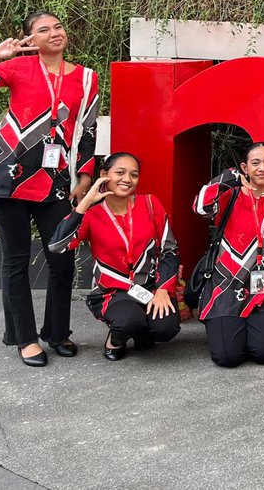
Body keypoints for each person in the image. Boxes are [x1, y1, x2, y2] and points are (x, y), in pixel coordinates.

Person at [0, 11, 98, 366]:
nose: (54, 33)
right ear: (30, 38)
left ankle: (57, 333)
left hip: (57, 180)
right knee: (16, 260)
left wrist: (84, 178)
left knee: (62, 256)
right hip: (7, 177)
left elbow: (86, 132)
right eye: (43, 30)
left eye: (58, 26)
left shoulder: (87, 78)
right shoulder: (19, 68)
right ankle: (25, 339)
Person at [48, 152, 180, 360]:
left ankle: (141, 333)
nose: (127, 179)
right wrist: (86, 202)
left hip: (148, 288)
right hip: (112, 292)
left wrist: (163, 290)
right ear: (104, 175)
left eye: (134, 175)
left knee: (167, 327)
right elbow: (57, 246)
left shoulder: (151, 204)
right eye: (120, 172)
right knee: (128, 320)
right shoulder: (92, 215)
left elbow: (170, 251)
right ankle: (116, 340)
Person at [194, 141, 264, 367]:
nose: (262, 168)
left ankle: (249, 328)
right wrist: (230, 176)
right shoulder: (229, 196)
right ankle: (227, 326)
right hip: (226, 285)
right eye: (255, 163)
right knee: (227, 357)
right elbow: (201, 207)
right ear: (245, 167)